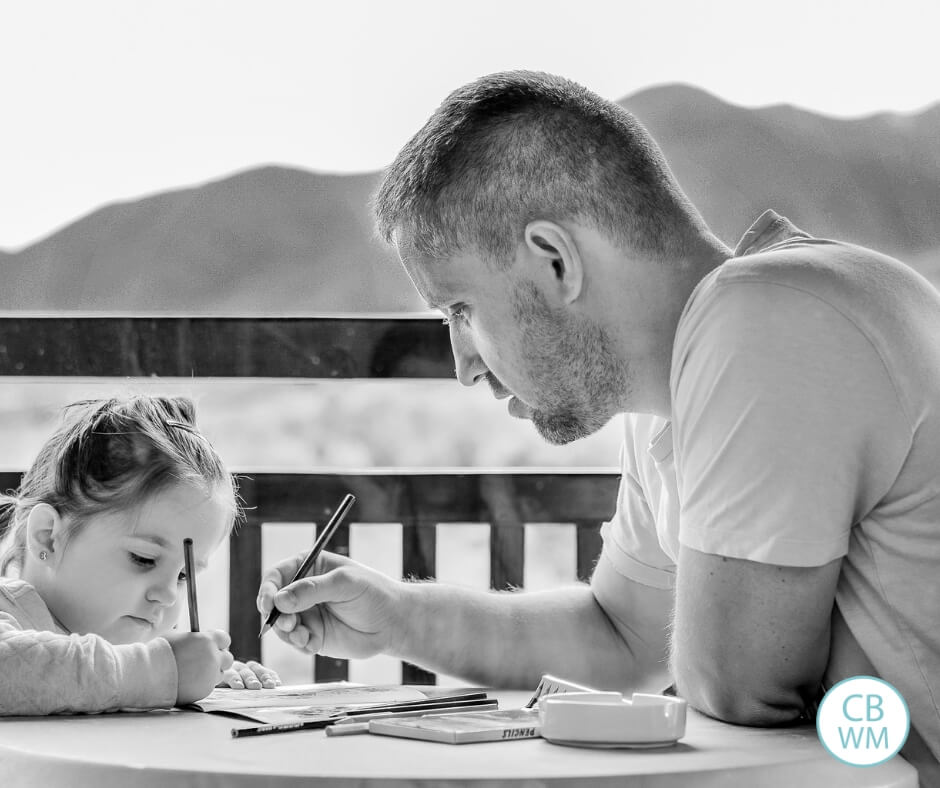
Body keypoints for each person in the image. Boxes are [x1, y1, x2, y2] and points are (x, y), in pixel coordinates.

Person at [257, 71, 939, 781]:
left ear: (556, 260)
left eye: (460, 310)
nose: (462, 364)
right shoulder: (678, 390)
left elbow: (737, 691)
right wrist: (395, 614)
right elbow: (618, 634)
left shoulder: (765, 319)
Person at [0, 395, 280, 715]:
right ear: (48, 537)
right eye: (144, 559)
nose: (166, 595)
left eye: (183, 575)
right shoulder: (7, 612)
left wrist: (200, 675)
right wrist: (161, 672)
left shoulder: (134, 653)